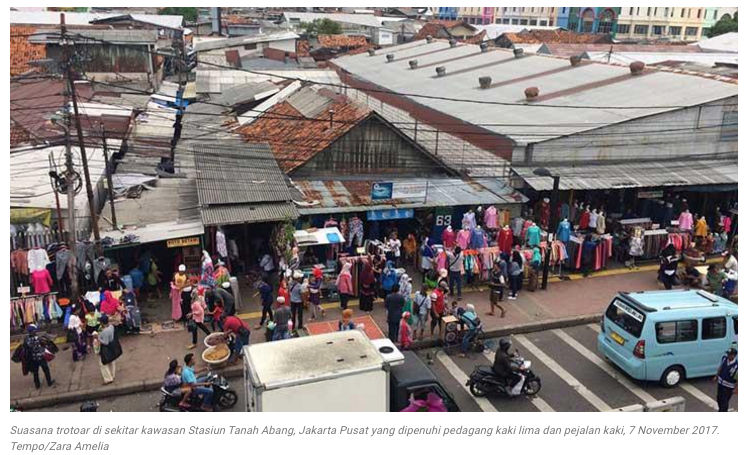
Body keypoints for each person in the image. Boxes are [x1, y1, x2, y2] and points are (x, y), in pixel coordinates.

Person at [22, 324, 55, 389]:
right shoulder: (38, 338)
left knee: (35, 372)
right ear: (32, 331)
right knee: (46, 369)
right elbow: (45, 343)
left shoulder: (26, 339)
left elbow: (25, 347)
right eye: (34, 330)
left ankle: (37, 385)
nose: (36, 331)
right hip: (41, 357)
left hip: (33, 359)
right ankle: (49, 383)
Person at [714, 347, 738, 412]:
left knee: (724, 401)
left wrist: (736, 389)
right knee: (719, 398)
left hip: (728, 387)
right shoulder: (724, 359)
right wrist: (716, 376)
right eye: (728, 354)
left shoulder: (737, 365)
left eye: (730, 354)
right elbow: (720, 367)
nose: (728, 355)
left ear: (734, 355)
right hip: (720, 383)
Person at [97, 315, 117, 385]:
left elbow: (105, 342)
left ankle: (108, 379)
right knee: (112, 361)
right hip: (112, 346)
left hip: (105, 348)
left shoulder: (104, 331)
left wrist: (98, 338)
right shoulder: (111, 327)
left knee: (103, 363)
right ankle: (112, 374)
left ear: (102, 322)